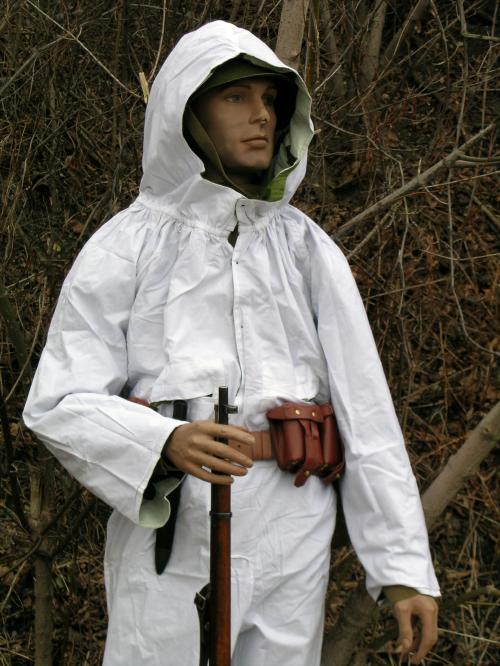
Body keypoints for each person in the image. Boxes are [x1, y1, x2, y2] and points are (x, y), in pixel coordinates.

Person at [23, 20, 440, 666]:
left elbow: (367, 414)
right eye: (235, 97)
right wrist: (162, 442)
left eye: (269, 99)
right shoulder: (126, 247)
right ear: (187, 111)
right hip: (174, 528)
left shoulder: (305, 250)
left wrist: (402, 568)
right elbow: (58, 402)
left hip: (293, 525)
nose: (261, 116)